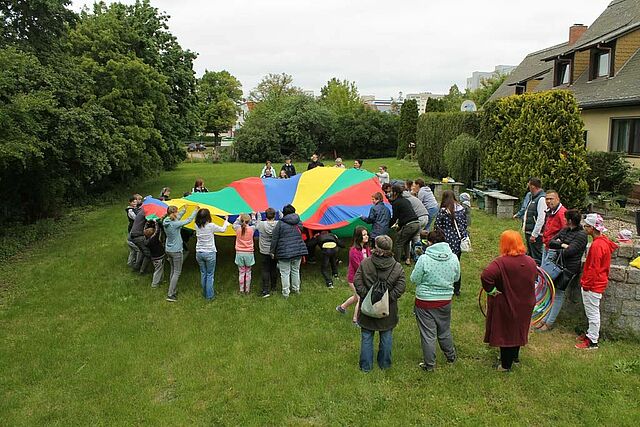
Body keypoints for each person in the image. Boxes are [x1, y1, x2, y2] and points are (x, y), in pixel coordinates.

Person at [481, 230, 537, 371]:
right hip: (526, 303)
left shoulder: (500, 263)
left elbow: (486, 276)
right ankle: (515, 358)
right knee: (518, 330)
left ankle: (505, 366)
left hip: (507, 302)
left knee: (506, 333)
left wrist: (492, 291)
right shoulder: (530, 261)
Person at [410, 229, 460, 371]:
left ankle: (429, 364)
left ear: (429, 243)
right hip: (445, 300)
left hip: (424, 301)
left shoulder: (424, 259)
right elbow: (456, 278)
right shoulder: (453, 258)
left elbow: (414, 279)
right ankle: (451, 356)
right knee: (444, 330)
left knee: (428, 334)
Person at [354, 235, 406, 372]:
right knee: (386, 335)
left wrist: (368, 297)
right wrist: (387, 300)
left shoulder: (365, 263)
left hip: (367, 308)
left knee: (366, 336)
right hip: (388, 310)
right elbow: (401, 287)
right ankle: (385, 365)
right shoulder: (397, 267)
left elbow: (357, 281)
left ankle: (366, 367)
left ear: (376, 247)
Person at [537, 210, 587, 331]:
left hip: (568, 269)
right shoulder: (565, 230)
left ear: (570, 220)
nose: (564, 221)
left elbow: (569, 252)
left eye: (565, 219)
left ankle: (549, 323)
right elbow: (551, 242)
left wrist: (560, 244)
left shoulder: (581, 235)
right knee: (551, 291)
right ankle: (544, 319)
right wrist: (563, 245)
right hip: (557, 266)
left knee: (559, 293)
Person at [576, 213, 618, 350]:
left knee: (593, 313)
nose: (584, 227)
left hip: (593, 285)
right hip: (597, 283)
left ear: (593, 228)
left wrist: (586, 285)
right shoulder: (603, 241)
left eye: (586, 225)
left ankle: (593, 341)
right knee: (591, 312)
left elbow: (593, 268)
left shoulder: (597, 246)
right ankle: (590, 334)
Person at [270, 204, 308, 298]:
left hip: (284, 252)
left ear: (284, 213)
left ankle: (286, 293)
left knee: (285, 273)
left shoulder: (280, 224)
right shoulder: (299, 222)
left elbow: (275, 239)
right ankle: (296, 289)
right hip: (298, 250)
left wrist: (272, 251)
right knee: (296, 270)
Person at [162, 205, 199, 302]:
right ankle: (170, 295)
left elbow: (178, 217)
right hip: (176, 250)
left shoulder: (167, 220)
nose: (178, 213)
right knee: (177, 272)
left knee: (173, 271)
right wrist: (195, 211)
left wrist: (184, 210)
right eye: (177, 212)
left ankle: (172, 290)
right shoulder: (174, 224)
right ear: (173, 213)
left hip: (168, 249)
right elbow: (188, 220)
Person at [435, 190, 468, 296]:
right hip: (458, 240)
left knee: (444, 263)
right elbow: (465, 224)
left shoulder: (443, 211)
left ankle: (444, 285)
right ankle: (456, 289)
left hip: (446, 241)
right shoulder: (461, 209)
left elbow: (437, 226)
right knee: (456, 264)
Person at [337, 227, 371, 325]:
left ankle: (342, 307)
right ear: (359, 237)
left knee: (356, 297)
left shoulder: (366, 248)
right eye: (364, 235)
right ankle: (355, 320)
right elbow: (359, 266)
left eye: (366, 234)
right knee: (361, 298)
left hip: (363, 277)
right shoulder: (353, 251)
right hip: (354, 279)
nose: (366, 236)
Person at [194, 209, 230, 300]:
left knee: (203, 273)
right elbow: (222, 230)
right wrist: (226, 220)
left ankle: (205, 292)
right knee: (210, 274)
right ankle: (209, 296)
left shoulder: (196, 225)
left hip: (199, 253)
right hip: (209, 252)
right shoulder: (211, 226)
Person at [389, 185, 420, 264]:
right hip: (417, 224)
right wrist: (399, 225)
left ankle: (396, 263)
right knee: (406, 241)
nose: (390, 193)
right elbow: (404, 215)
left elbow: (395, 217)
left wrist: (388, 225)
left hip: (410, 225)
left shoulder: (396, 203)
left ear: (395, 193)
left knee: (398, 243)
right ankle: (408, 260)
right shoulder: (405, 200)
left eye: (391, 192)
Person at [255, 208, 279, 298]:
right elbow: (283, 219)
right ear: (274, 215)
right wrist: (280, 214)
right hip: (274, 250)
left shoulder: (261, 224)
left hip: (264, 251)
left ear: (266, 215)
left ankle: (265, 290)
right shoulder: (278, 224)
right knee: (273, 268)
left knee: (265, 270)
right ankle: (274, 287)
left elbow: (256, 224)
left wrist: (258, 215)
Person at [522, 178, 546, 265]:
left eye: (529, 186)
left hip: (535, 235)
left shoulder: (541, 199)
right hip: (529, 232)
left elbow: (541, 218)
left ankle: (539, 276)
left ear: (532, 186)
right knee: (531, 255)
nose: (528, 188)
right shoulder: (533, 198)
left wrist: (534, 234)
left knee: (537, 257)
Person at [403, 187, 429, 262]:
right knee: (416, 237)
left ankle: (409, 256)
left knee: (409, 237)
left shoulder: (406, 200)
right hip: (425, 216)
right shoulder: (412, 197)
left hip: (419, 218)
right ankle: (418, 256)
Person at [233, 214, 256, 294]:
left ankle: (241, 290)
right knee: (248, 272)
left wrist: (239, 217)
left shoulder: (237, 229)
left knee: (241, 272)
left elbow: (234, 224)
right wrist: (253, 216)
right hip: (249, 253)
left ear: (241, 221)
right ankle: (247, 290)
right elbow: (255, 224)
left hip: (239, 253)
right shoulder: (252, 229)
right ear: (249, 221)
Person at [542, 190, 567, 263]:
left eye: (551, 199)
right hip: (547, 246)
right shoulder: (551, 211)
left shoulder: (562, 213)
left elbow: (566, 230)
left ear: (557, 199)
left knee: (548, 272)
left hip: (554, 248)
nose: (549, 201)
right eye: (547, 199)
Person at [129, 208, 151, 273]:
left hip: (133, 235)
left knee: (142, 252)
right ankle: (142, 271)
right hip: (138, 236)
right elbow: (151, 220)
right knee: (148, 253)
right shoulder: (146, 213)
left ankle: (136, 267)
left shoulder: (141, 212)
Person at [144, 221, 165, 288]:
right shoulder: (154, 240)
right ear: (152, 234)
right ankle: (154, 284)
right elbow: (157, 231)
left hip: (154, 258)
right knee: (158, 270)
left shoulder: (147, 240)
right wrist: (156, 223)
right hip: (159, 257)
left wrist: (147, 223)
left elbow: (144, 230)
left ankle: (160, 280)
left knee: (160, 269)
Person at [126, 196, 142, 269]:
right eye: (133, 202)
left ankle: (130, 262)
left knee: (133, 250)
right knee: (137, 249)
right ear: (130, 202)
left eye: (136, 202)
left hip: (133, 228)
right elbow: (136, 218)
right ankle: (136, 264)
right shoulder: (130, 211)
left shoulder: (134, 209)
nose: (135, 203)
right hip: (133, 228)